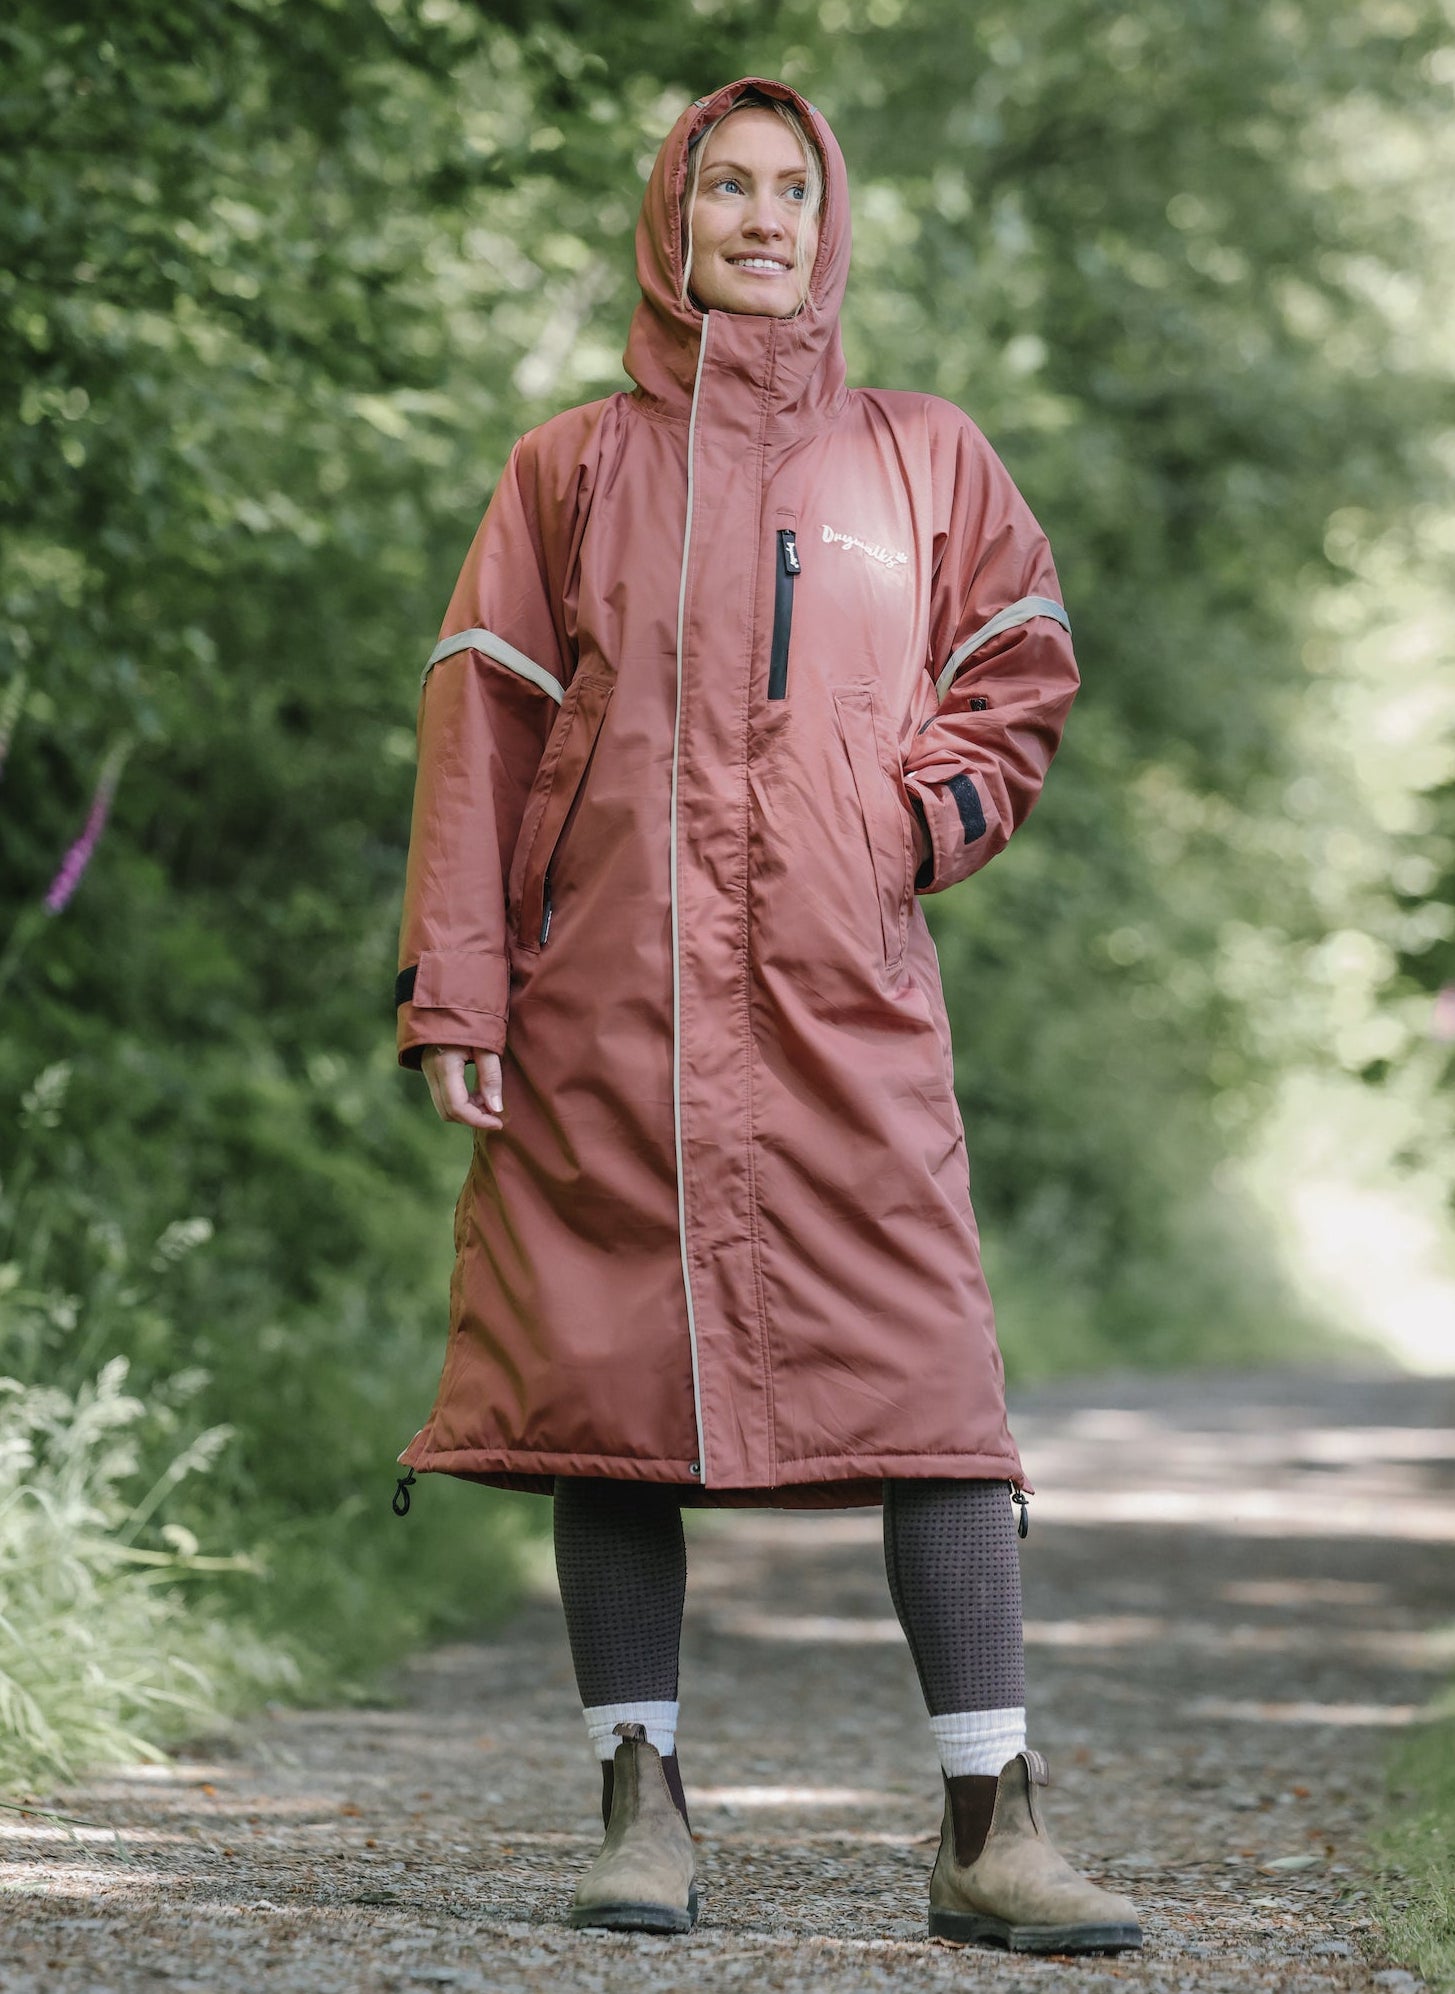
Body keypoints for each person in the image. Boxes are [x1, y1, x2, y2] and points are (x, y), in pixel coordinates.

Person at [393, 76, 1141, 1954]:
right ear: (674, 217)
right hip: (605, 1004)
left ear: (829, 221)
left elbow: (1021, 666)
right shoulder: (567, 466)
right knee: (603, 1389)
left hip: (843, 1003)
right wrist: (462, 976)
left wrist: (911, 824)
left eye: (789, 187)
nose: (758, 216)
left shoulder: (921, 455)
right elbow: (481, 725)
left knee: (937, 1387)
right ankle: (638, 1800)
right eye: (722, 185)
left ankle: (992, 1819)